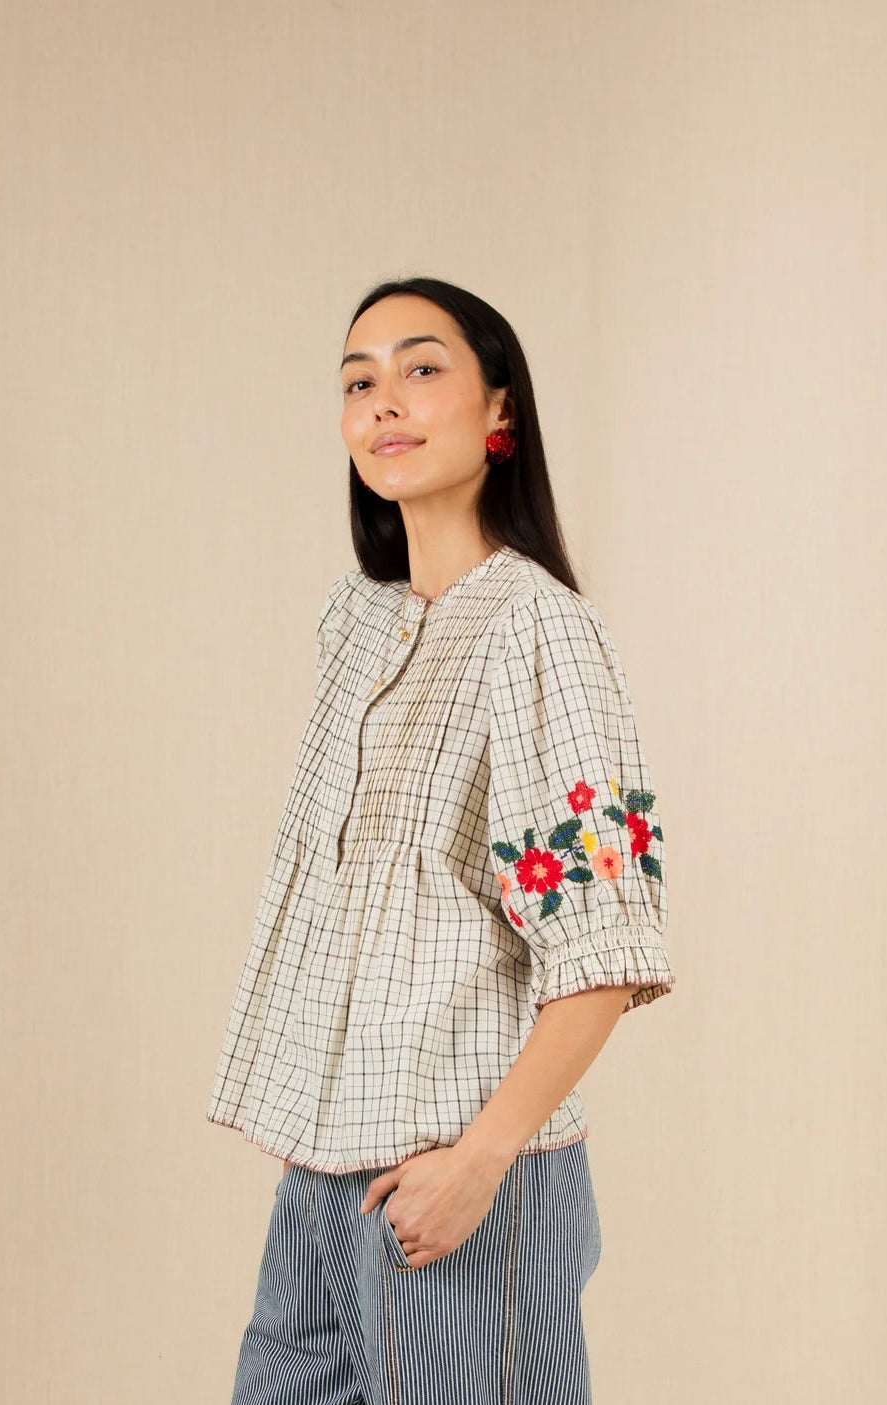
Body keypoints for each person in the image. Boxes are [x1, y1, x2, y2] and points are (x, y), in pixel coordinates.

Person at [211, 275, 677, 1404]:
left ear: (498, 415)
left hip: (462, 1178)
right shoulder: (355, 620)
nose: (386, 403)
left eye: (422, 369)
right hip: (323, 1175)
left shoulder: (540, 630)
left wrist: (478, 1165)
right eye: (358, 382)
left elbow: (605, 950)